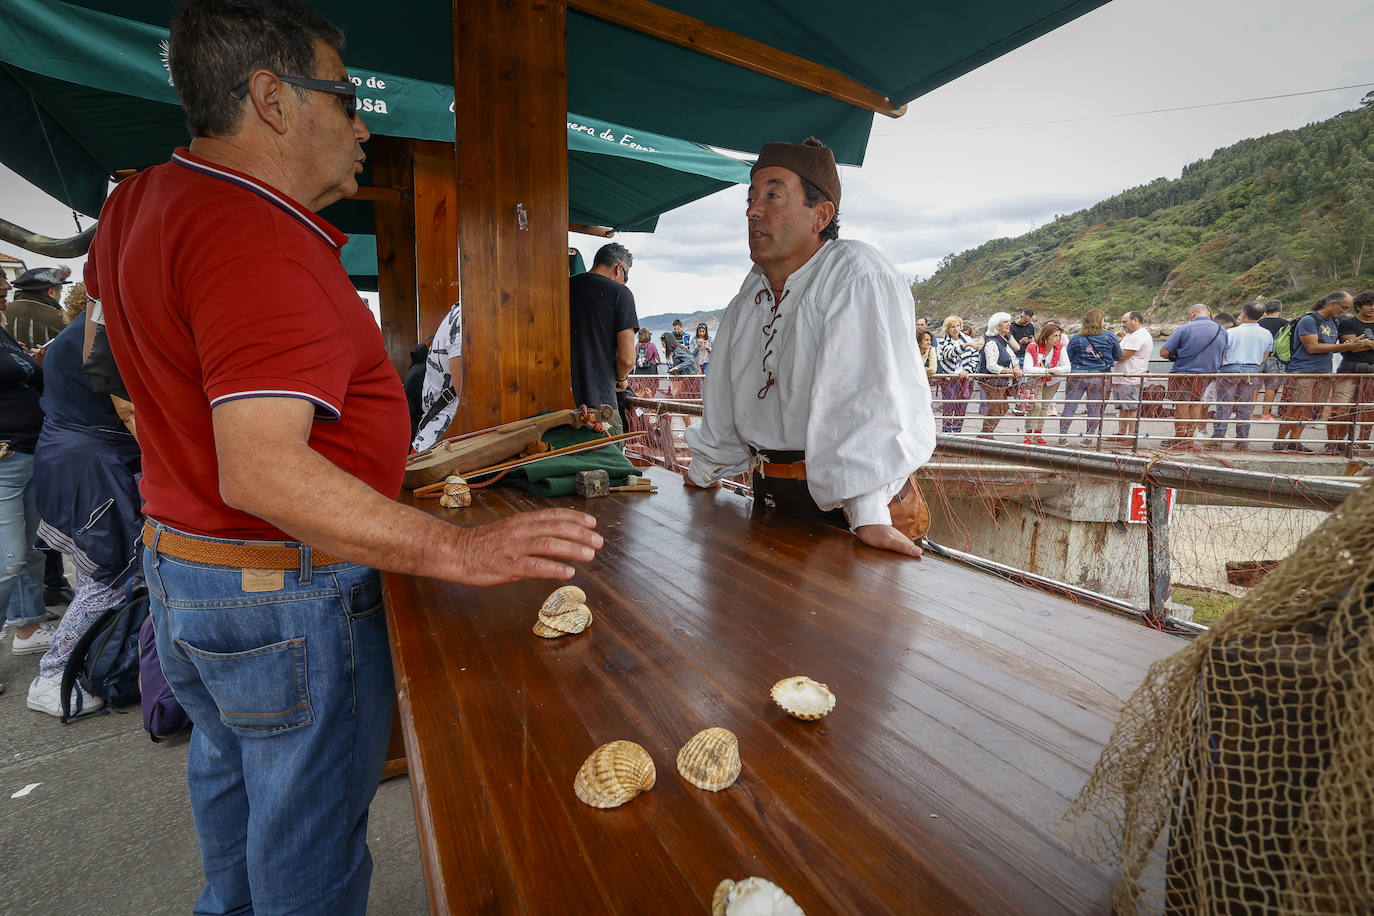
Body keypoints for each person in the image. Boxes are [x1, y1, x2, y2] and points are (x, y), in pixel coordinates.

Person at [87, 3, 602, 912]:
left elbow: (140, 374)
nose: (364, 125)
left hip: (186, 573)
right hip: (282, 592)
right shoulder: (257, 234)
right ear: (273, 100)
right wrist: (461, 552)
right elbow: (263, 471)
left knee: (237, 802)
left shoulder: (140, 201)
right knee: (309, 856)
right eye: (347, 97)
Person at [683, 137, 935, 558]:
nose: (752, 210)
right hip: (771, 501)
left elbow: (865, 399)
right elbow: (726, 403)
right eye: (751, 197)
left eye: (773, 195)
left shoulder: (855, 275)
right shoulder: (751, 292)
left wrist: (867, 511)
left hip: (845, 513)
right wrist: (701, 470)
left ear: (821, 215)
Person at [25, 305, 142, 717]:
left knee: (118, 571)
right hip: (90, 460)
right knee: (108, 574)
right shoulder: (106, 328)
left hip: (77, 454)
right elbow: (132, 408)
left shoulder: (86, 324)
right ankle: (54, 673)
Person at [0, 270, 56, 665]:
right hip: (5, 461)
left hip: (27, 452)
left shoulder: (2, 333)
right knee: (9, 559)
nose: (5, 293)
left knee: (33, 550)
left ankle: (28, 626)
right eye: (0, 289)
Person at [1274, 291, 1371, 453]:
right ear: (1333, 304)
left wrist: (1350, 343)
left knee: (1309, 409)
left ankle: (1294, 440)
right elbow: (1312, 347)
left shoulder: (1334, 321)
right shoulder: (1309, 320)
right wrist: (1345, 347)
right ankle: (1280, 440)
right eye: (1344, 308)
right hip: (1304, 371)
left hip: (1323, 371)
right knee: (1298, 407)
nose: (1344, 312)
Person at [569, 243, 637, 436]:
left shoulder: (564, 286)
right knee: (611, 465)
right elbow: (627, 359)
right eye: (626, 275)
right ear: (619, 269)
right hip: (600, 409)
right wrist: (621, 378)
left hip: (559, 408)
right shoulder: (620, 294)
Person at [1159, 304, 1227, 448]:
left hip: (1183, 373)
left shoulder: (1185, 329)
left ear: (1191, 314)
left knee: (1182, 405)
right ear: (1208, 313)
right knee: (1197, 404)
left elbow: (1164, 352)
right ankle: (1190, 436)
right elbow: (1224, 354)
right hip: (1208, 374)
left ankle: (1180, 437)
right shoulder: (1222, 330)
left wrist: (1175, 354)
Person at [1210, 301, 1273, 449]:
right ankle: (1242, 440)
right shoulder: (1266, 333)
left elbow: (1223, 353)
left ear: (1243, 314)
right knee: (1244, 408)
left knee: (1224, 407)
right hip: (1252, 371)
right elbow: (1265, 356)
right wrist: (1256, 366)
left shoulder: (1231, 332)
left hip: (1230, 370)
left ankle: (1218, 439)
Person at [1058, 309, 1122, 446]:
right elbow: (1118, 354)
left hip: (1077, 375)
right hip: (1100, 376)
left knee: (1070, 406)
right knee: (1095, 407)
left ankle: (1062, 436)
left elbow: (1068, 357)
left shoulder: (1076, 338)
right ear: (1100, 321)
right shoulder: (1110, 337)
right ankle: (1089, 437)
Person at [411, 301, 463, 450]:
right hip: (439, 442)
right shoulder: (462, 319)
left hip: (438, 439)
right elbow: (464, 394)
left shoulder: (457, 314)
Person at [1329, 289, 1374, 452]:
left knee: (1370, 408)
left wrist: (1365, 343)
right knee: (1341, 407)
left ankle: (1362, 441)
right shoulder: (1348, 323)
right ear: (1359, 306)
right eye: (1369, 304)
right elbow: (1351, 346)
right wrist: (1359, 344)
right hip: (1349, 369)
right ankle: (1334, 442)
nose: (1372, 308)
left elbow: (1356, 344)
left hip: (1372, 371)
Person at [977, 312, 1024, 437]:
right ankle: (985, 435)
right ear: (996, 325)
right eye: (1005, 322)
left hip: (1000, 382)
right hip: (991, 381)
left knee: (1002, 407)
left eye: (1009, 321)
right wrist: (1007, 370)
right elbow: (991, 366)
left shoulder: (1004, 341)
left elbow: (1014, 359)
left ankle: (986, 434)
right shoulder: (992, 342)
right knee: (997, 407)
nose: (1009, 324)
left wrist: (1017, 368)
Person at [1108, 311, 1152, 445]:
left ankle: (1132, 436)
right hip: (1121, 377)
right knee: (1122, 407)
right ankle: (1121, 433)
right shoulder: (1130, 335)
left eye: (1125, 321)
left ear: (1135, 320)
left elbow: (1122, 355)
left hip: (1131, 377)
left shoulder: (1139, 335)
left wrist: (1104, 355)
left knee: (1131, 408)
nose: (1122, 325)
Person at [1021, 321, 1067, 445]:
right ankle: (1029, 433)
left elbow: (1067, 367)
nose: (1058, 339)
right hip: (1036, 380)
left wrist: (1057, 370)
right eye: (1055, 336)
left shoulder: (1060, 348)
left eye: (1059, 336)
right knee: (1036, 406)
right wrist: (1047, 370)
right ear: (1046, 337)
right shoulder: (1032, 347)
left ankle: (1038, 433)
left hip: (1052, 381)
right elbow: (1027, 368)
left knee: (1044, 406)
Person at [6, 265, 70, 350]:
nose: (60, 296)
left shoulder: (3, 312)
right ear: (51, 292)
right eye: (60, 291)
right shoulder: (63, 319)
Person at [935, 315, 980, 433]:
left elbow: (975, 358)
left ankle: (957, 433)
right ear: (947, 329)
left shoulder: (968, 339)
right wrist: (964, 346)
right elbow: (947, 354)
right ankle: (946, 433)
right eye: (952, 327)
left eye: (957, 326)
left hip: (965, 380)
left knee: (961, 408)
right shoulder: (944, 341)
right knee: (948, 407)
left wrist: (968, 370)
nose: (955, 329)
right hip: (949, 379)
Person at [1256, 299, 1287, 419]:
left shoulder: (1259, 322)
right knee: (1271, 387)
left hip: (1259, 357)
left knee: (1255, 386)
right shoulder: (1284, 323)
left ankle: (1250, 412)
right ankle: (1265, 413)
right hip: (1276, 358)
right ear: (1280, 309)